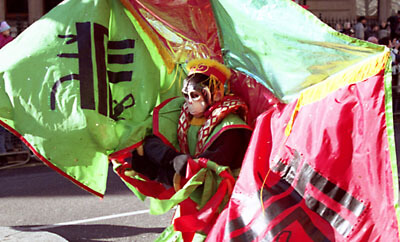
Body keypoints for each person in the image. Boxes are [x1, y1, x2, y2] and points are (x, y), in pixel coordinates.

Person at [128, 58, 252, 187]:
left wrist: (176, 165)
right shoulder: (182, 113)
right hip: (193, 193)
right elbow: (154, 139)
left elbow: (203, 174)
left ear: (217, 95)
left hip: (224, 195)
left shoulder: (229, 128)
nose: (189, 102)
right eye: (186, 95)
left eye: (195, 95)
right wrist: (157, 164)